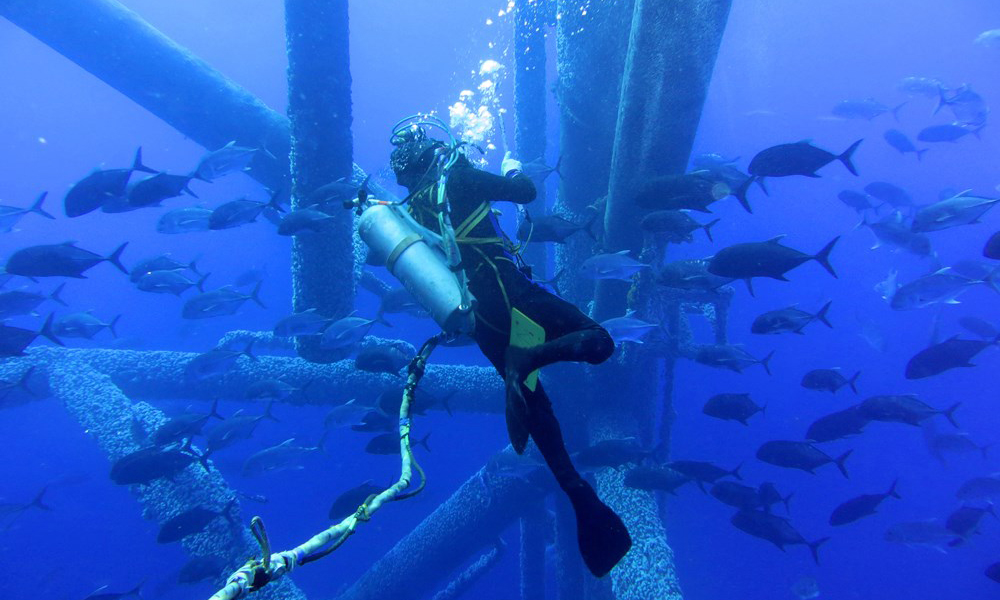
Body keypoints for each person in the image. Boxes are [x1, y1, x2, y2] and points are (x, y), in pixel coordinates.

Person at [389, 126, 632, 578]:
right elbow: (525, 192)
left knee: (534, 403)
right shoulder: (458, 178)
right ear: (434, 151)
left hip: (480, 320)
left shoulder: (411, 210)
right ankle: (529, 359)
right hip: (511, 293)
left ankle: (577, 493)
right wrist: (513, 168)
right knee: (600, 340)